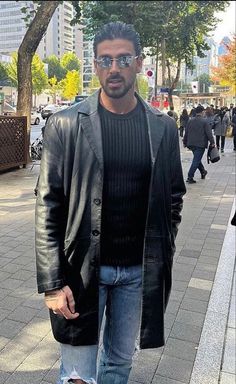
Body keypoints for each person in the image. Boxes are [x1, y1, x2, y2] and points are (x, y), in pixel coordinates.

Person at [35, 21, 186, 384]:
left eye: (122, 59)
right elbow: (48, 205)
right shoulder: (66, 125)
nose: (113, 68)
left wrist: (162, 249)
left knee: (120, 365)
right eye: (105, 60)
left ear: (138, 63)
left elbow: (173, 197)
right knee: (77, 375)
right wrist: (53, 284)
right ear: (96, 65)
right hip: (81, 273)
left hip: (137, 274)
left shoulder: (161, 127)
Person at [183, 105, 215, 183]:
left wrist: (184, 141)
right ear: (202, 112)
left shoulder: (190, 120)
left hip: (191, 144)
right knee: (196, 160)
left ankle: (203, 171)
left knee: (197, 159)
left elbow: (186, 132)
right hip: (200, 144)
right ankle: (190, 176)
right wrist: (212, 142)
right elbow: (209, 133)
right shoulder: (204, 121)